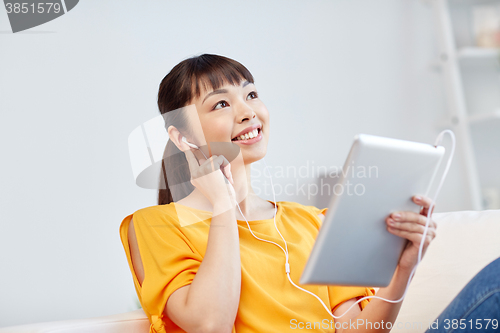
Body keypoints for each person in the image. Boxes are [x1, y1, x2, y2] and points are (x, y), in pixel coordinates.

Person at [119, 54, 500, 333]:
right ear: (182, 137)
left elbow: (356, 330)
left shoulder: (310, 221)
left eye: (251, 95)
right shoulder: (156, 225)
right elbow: (210, 324)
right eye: (221, 103)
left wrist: (402, 270)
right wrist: (222, 204)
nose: (247, 111)